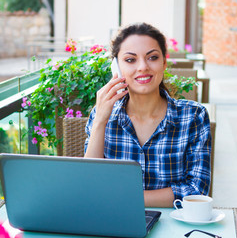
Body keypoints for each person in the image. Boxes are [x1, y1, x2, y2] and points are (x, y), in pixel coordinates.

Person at [84, 23, 211, 207]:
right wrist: (100, 121)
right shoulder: (102, 116)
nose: (143, 67)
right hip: (114, 220)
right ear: (116, 67)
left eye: (152, 57)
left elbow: (196, 190)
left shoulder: (193, 116)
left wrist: (126, 198)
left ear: (164, 63)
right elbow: (90, 184)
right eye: (130, 60)